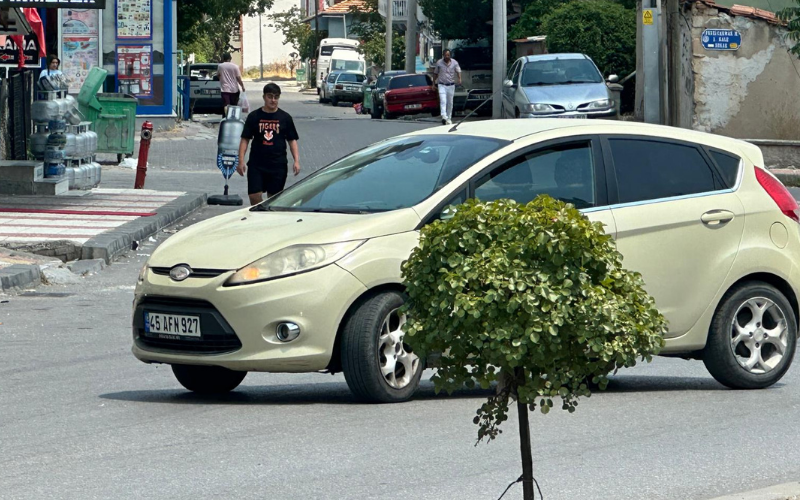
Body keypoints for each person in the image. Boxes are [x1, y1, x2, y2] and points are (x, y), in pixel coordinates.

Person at [238, 83, 301, 206]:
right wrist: (240, 160)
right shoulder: (254, 116)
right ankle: (259, 218)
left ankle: (268, 220)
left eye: (276, 97)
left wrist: (296, 161)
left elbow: (292, 140)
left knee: (274, 199)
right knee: (254, 195)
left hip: (278, 165)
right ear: (264, 97)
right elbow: (245, 139)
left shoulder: (285, 118)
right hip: (257, 163)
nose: (273, 100)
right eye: (270, 96)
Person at [432, 49, 462, 126]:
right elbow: (435, 73)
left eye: (448, 55)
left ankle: (449, 118)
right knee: (443, 100)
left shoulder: (454, 63)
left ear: (450, 55)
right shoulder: (439, 63)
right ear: (443, 55)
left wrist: (459, 79)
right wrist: (433, 83)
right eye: (445, 55)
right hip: (441, 85)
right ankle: (444, 116)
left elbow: (458, 71)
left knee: (450, 102)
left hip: (451, 85)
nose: (447, 57)